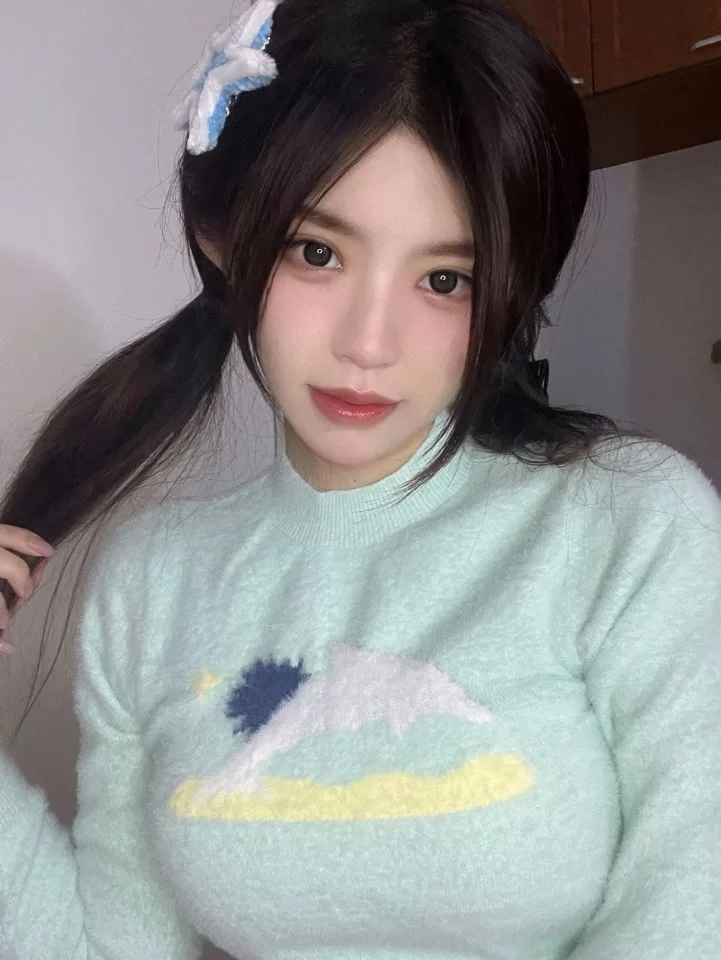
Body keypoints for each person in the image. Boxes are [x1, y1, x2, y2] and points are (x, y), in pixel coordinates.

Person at [1, 0, 720, 957]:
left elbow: (688, 914)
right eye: (317, 252)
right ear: (224, 238)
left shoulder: (628, 525)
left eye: (444, 280)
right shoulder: (151, 577)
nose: (368, 344)